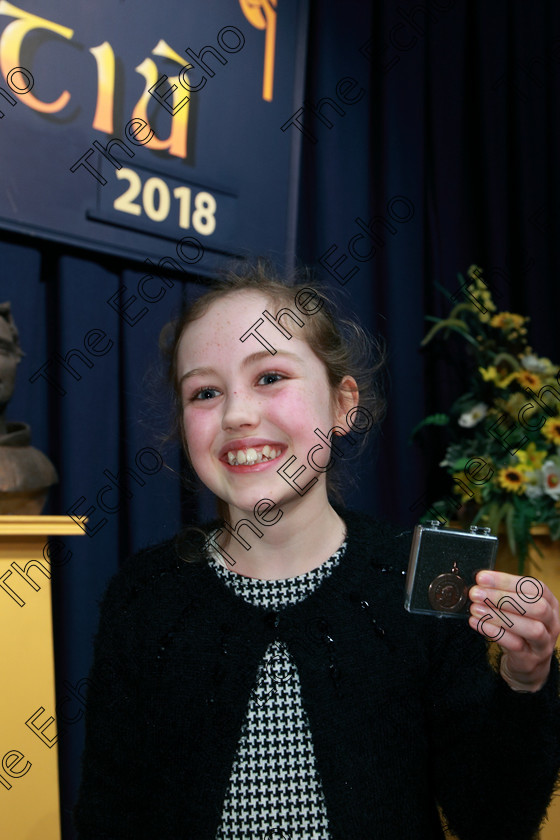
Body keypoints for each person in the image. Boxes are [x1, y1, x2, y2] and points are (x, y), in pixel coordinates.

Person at [73, 264, 560, 840]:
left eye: (271, 377)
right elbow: (109, 817)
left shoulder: (426, 572)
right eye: (205, 392)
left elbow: (495, 818)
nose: (236, 414)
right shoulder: (144, 594)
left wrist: (526, 684)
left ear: (342, 404)